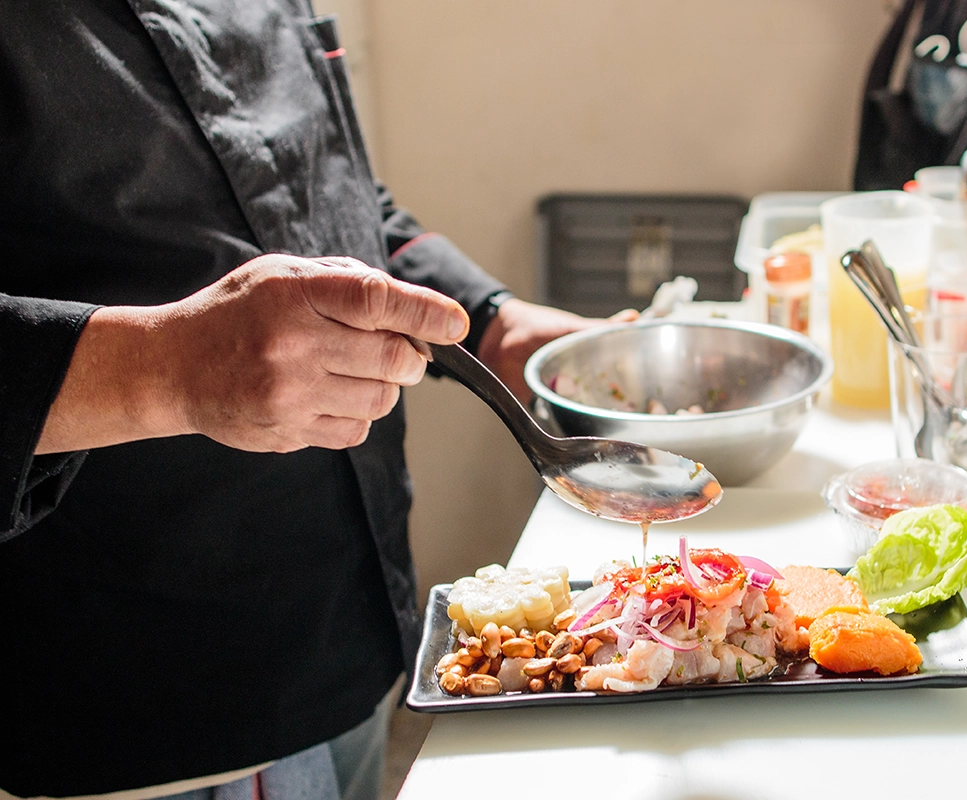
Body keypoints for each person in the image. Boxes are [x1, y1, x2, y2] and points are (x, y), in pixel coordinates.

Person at [0, 2, 629, 798]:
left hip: (354, 636)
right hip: (144, 696)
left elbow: (334, 196)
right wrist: (165, 366)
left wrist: (494, 321)